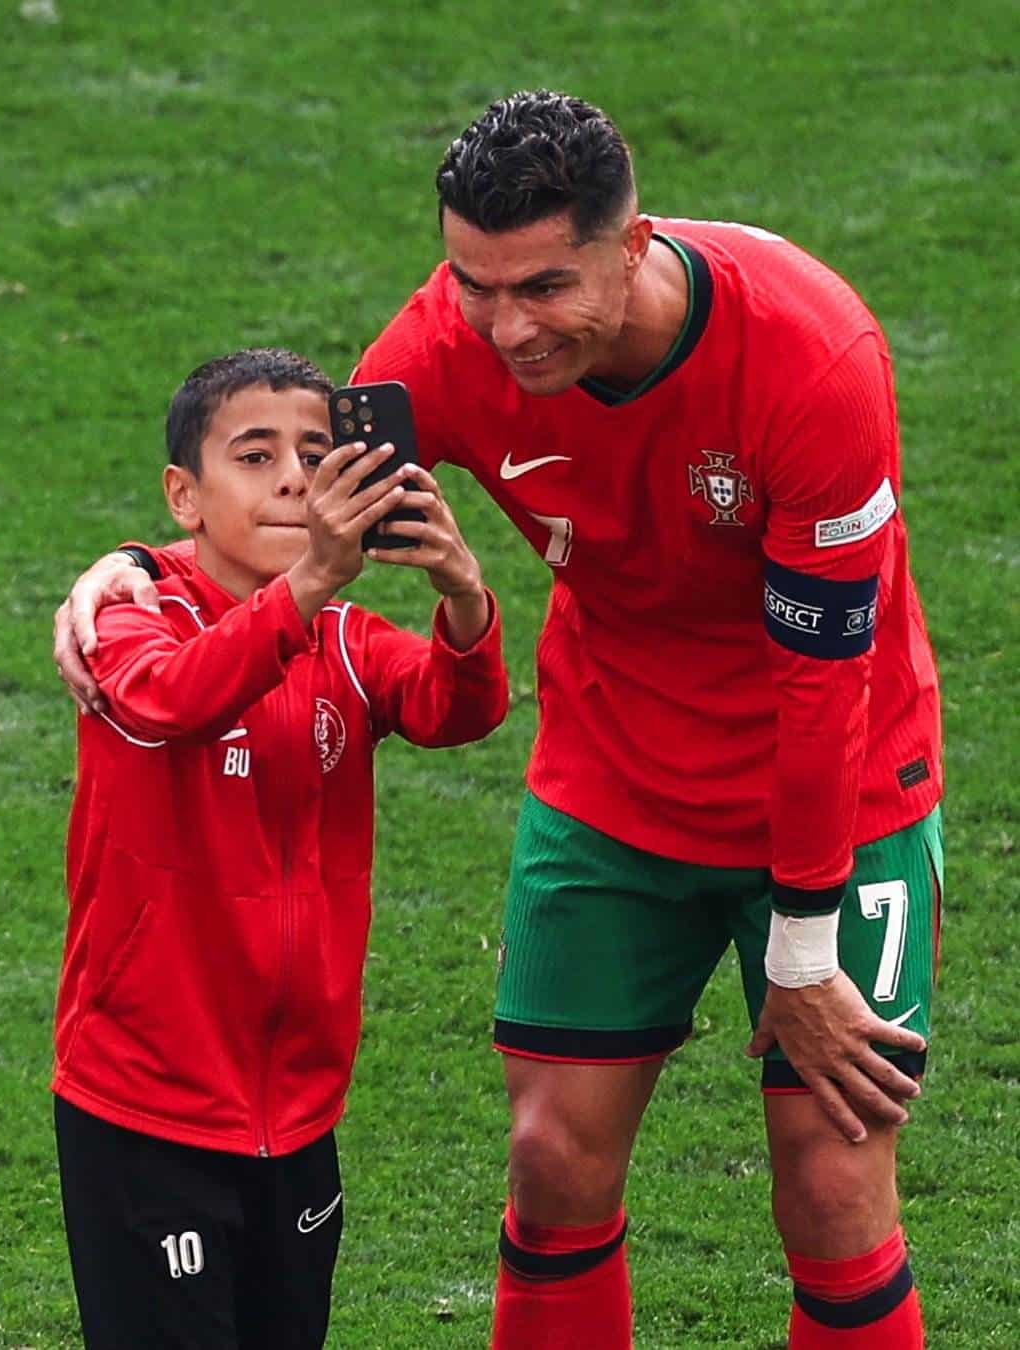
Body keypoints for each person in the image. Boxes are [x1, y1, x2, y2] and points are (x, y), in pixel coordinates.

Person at [54, 93, 943, 1349]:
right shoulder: (443, 346)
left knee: (832, 1178)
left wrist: (802, 947)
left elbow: (821, 682)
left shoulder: (811, 357)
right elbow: (291, 493)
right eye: (474, 283)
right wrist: (134, 570)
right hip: (613, 782)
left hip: (838, 784)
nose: (507, 328)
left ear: (634, 246)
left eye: (543, 286)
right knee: (551, 1163)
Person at [52, 347, 508, 1349]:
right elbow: (174, 697)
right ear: (184, 494)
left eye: (316, 451)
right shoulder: (128, 618)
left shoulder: (344, 639)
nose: (296, 479)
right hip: (146, 1110)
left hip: (297, 1109)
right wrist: (307, 582)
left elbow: (456, 704)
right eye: (255, 457)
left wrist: (463, 591)